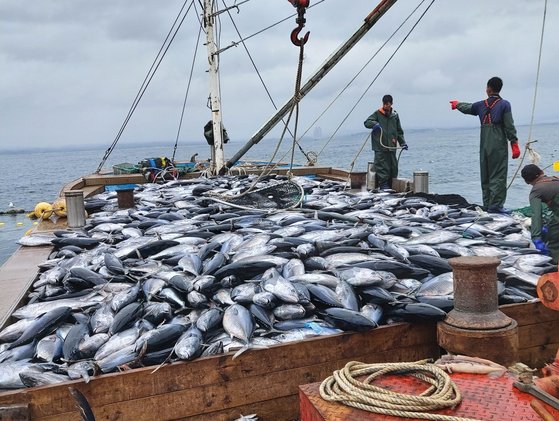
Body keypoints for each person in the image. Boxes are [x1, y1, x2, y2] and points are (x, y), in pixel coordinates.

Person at [450, 76, 521, 213]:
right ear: (499, 89)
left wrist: (457, 104)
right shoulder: (504, 104)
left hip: (484, 144)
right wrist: (514, 144)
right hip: (498, 143)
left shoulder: (481, 105)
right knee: (498, 175)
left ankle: (487, 205)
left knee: (486, 174)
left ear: (488, 88)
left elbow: (468, 108)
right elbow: (509, 125)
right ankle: (496, 207)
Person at [364, 94, 407, 190]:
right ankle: (383, 184)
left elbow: (399, 131)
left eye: (388, 104)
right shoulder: (377, 113)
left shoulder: (395, 115)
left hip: (391, 145)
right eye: (385, 104)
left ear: (391, 104)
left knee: (393, 166)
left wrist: (402, 142)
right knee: (381, 165)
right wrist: (374, 124)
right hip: (380, 145)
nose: (386, 106)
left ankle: (392, 183)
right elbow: (367, 122)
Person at [521, 164, 559, 264]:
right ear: (542, 172)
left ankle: (555, 265)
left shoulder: (536, 191)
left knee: (554, 241)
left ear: (527, 182)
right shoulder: (555, 179)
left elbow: (536, 215)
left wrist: (536, 238)